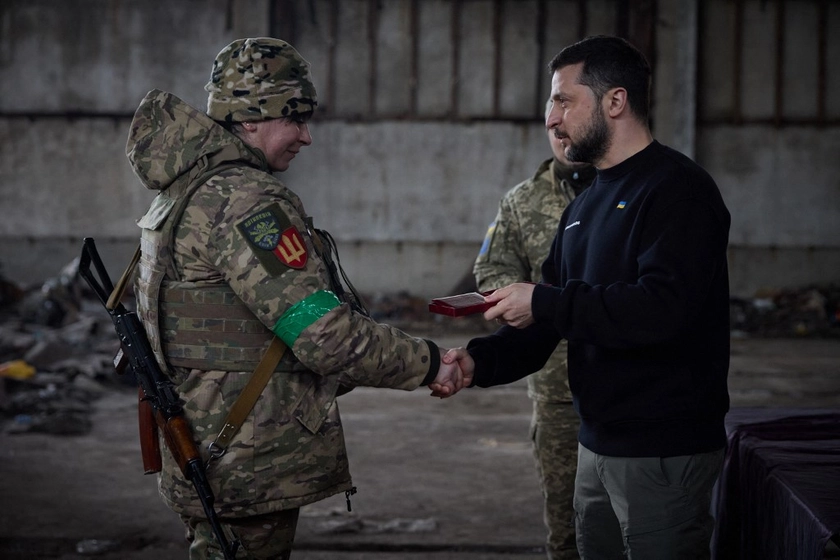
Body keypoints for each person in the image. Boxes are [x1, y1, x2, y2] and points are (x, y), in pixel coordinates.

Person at [125, 37, 466, 559]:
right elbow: (322, 333)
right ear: (253, 117)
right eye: (296, 117)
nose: (306, 136)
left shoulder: (184, 191)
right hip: (246, 461)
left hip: (210, 443)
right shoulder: (244, 200)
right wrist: (428, 363)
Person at [437, 35, 731, 560]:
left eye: (563, 100)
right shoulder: (587, 203)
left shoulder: (677, 190)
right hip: (596, 442)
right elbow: (548, 317)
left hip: (661, 448)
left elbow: (664, 308)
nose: (551, 116)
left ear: (615, 102)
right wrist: (477, 362)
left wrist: (545, 303)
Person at [473, 102, 594, 559]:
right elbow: (491, 267)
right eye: (552, 127)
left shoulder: (627, 191)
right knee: (566, 525)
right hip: (555, 385)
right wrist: (518, 299)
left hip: (625, 380)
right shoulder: (522, 201)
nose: (560, 134)